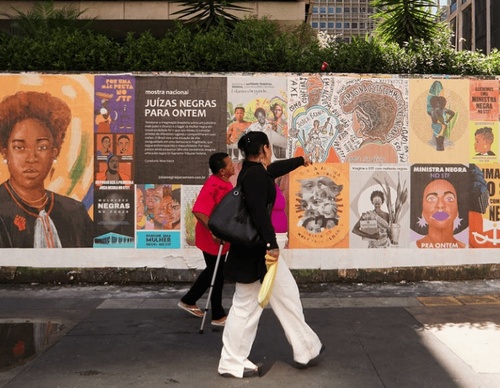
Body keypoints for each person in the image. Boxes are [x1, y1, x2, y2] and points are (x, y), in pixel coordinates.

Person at [218, 131, 323, 378]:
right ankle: (231, 361)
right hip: (255, 252)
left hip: (257, 250)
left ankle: (306, 347)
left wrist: (299, 161)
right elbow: (258, 213)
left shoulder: (254, 171)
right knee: (245, 306)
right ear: (265, 148)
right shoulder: (254, 176)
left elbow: (273, 170)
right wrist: (271, 245)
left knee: (287, 293)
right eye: (269, 148)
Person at [0, 91, 93, 248]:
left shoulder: (75, 212)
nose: (31, 158)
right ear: (5, 152)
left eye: (42, 147)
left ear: (54, 152)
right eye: (19, 147)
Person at [178, 152, 235, 326]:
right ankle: (217, 315)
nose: (233, 165)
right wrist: (214, 231)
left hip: (221, 237)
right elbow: (198, 210)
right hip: (211, 238)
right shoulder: (213, 185)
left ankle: (189, 300)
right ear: (222, 171)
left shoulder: (225, 183)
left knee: (214, 270)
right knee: (217, 274)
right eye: (230, 164)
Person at [416, 179, 465, 248]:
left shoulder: (470, 249)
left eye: (449, 199)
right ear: (422, 209)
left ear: (457, 208)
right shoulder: (410, 248)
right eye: (431, 199)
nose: (440, 205)